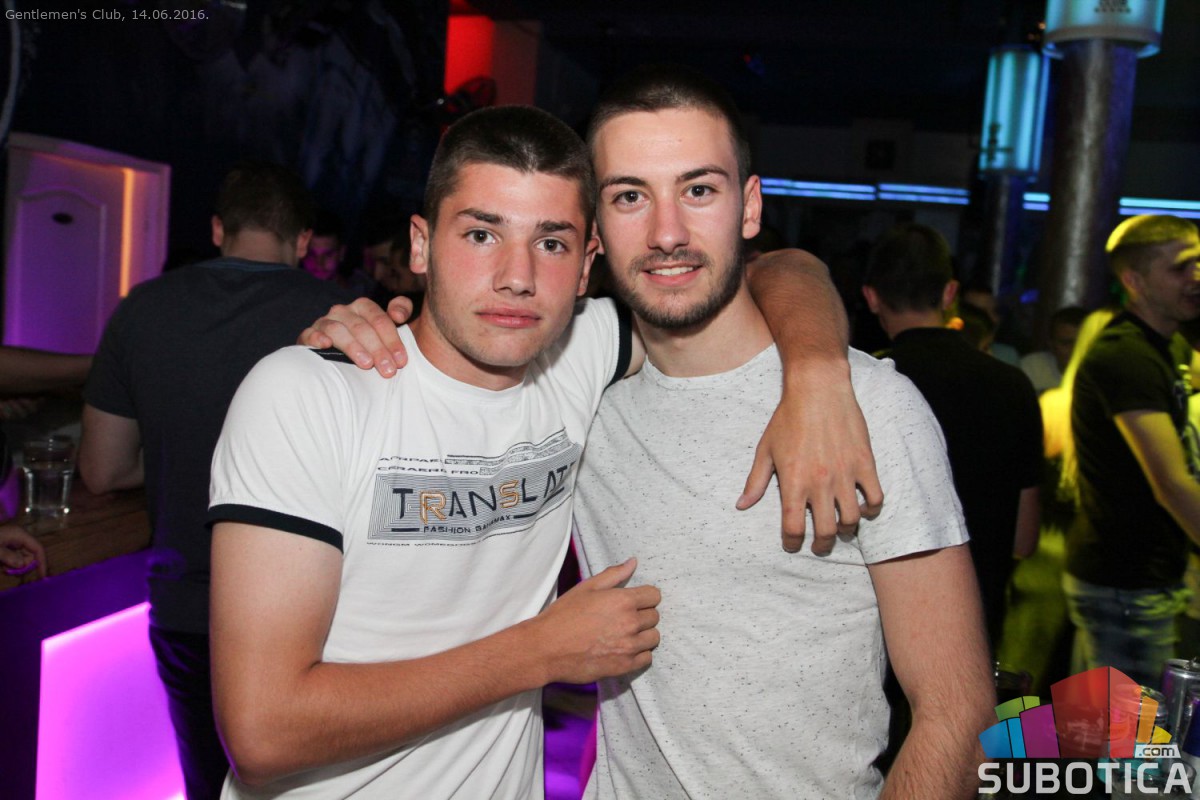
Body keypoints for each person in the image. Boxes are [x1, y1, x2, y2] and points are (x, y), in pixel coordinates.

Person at [310, 67, 991, 798]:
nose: (668, 234)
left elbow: (958, 715)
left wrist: (819, 371)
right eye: (630, 196)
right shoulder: (576, 394)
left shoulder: (869, 409)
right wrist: (366, 336)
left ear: (749, 207)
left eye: (698, 190)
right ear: (595, 233)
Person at [77, 162, 355, 800]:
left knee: (209, 782)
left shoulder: (142, 308)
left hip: (190, 608)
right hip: (317, 613)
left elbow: (103, 468)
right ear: (303, 238)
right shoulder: (339, 319)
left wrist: (182, 456)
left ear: (217, 229)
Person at [862, 223, 1043, 648]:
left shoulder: (866, 382)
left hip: (883, 624)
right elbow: (1024, 538)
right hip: (977, 620)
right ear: (949, 293)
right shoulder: (1012, 384)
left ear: (871, 297)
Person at [1064, 214, 1200, 687]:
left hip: (1138, 576)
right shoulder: (1126, 355)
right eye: (1180, 267)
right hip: (1126, 580)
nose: (1196, 277)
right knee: (1128, 732)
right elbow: (1171, 482)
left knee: (1112, 725)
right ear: (1134, 282)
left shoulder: (1167, 346)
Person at [1020, 306, 1088, 395]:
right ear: (1051, 344)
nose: (1075, 350)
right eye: (1066, 343)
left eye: (1083, 343)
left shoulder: (1105, 374)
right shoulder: (1031, 367)